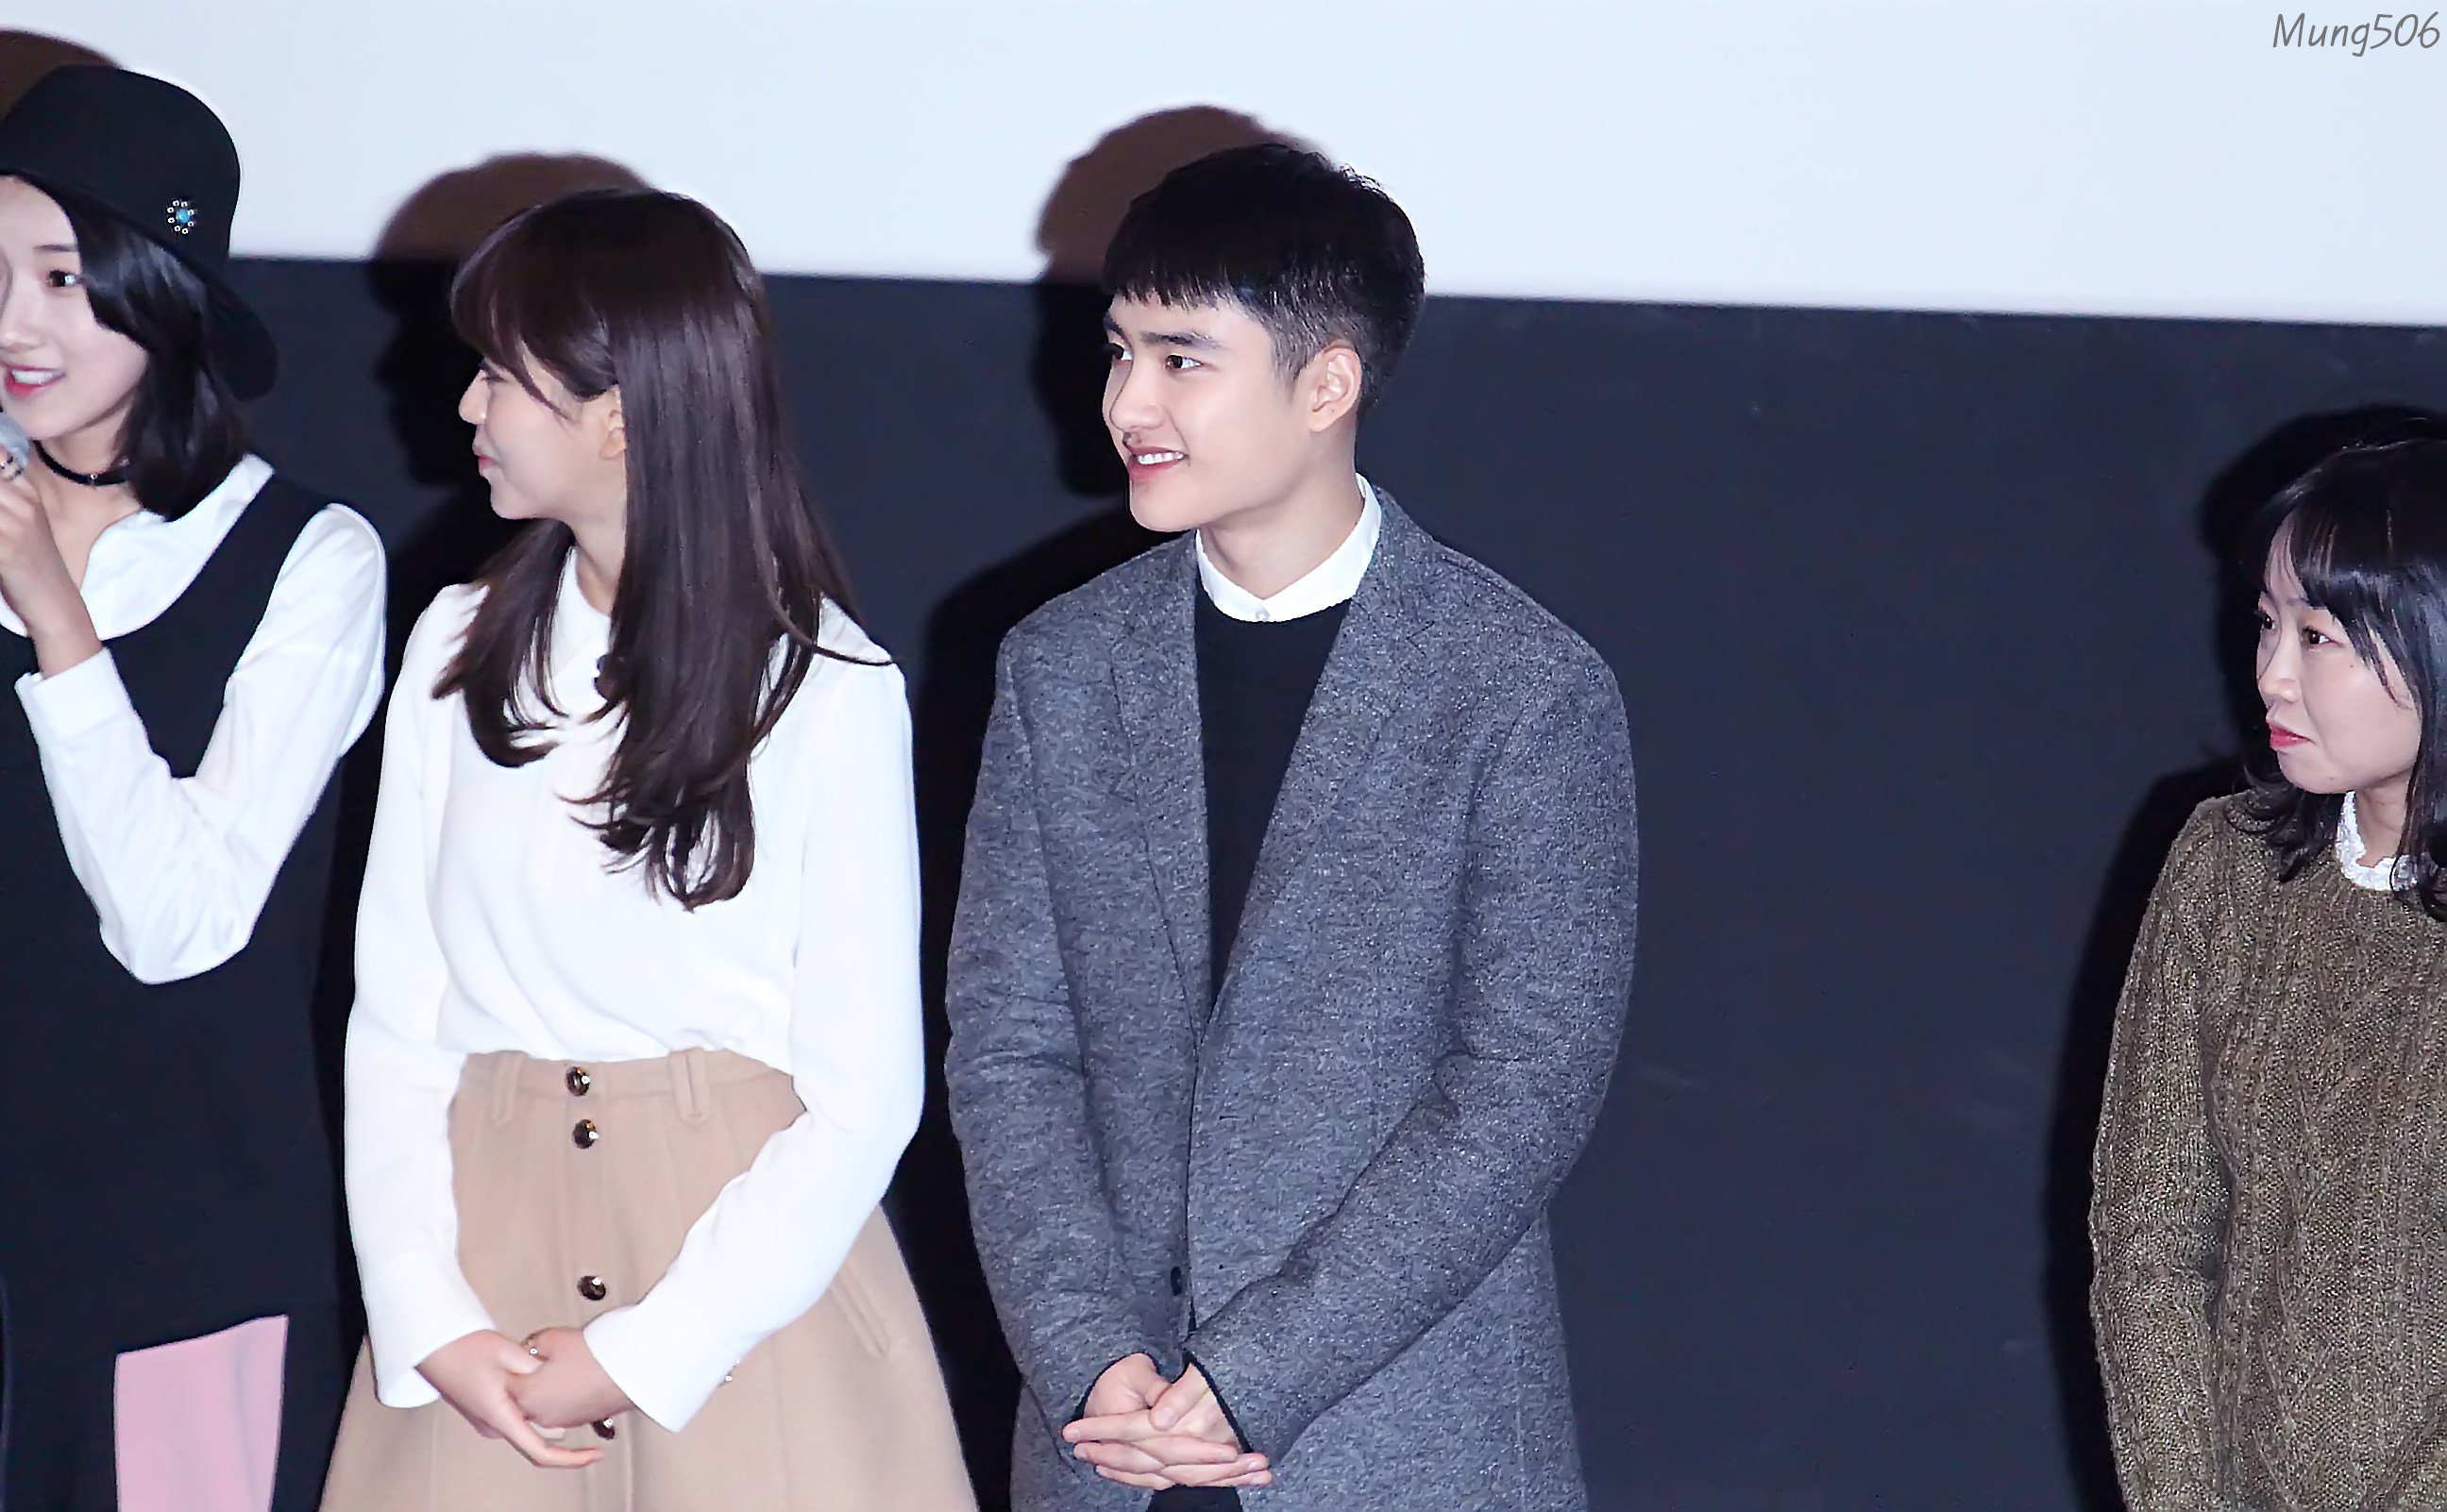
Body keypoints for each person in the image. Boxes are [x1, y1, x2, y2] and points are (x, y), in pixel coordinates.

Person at [944, 143, 1640, 1511]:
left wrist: (1255, 1369)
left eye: (1182, 360)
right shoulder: (1060, 666)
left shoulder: (1520, 688)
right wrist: (1089, 1358)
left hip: (1404, 1440)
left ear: (1328, 384)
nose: (1128, 402)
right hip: (1108, 1446)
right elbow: (1011, 1048)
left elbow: (1521, 1089)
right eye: (1119, 351)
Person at [320, 189, 973, 1512]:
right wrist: (425, 1314)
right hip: (480, 1285)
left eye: (502, 376)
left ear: (619, 415)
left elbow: (867, 1097)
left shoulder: (826, 689)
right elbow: (396, 1016)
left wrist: (650, 1348)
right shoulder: (457, 644)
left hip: (740, 1285)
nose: (469, 406)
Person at [0, 65, 387, 1512]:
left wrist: (55, 615)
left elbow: (180, 925)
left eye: (61, 276)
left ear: (159, 287)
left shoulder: (306, 558)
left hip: (180, 1244)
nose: (15, 322)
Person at [2093, 435, 2447, 1509]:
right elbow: (2150, 1238)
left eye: (2317, 636)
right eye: (2265, 624)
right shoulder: (2227, 866)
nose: (2270, 674)